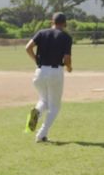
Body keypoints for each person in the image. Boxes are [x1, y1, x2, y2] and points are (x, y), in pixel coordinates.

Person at [25, 12, 73, 143]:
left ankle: (35, 114)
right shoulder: (66, 37)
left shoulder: (41, 33)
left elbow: (28, 48)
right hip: (55, 72)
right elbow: (67, 58)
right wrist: (69, 67)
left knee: (44, 101)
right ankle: (41, 135)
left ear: (52, 21)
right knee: (54, 107)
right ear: (65, 23)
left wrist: (36, 60)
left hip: (39, 72)